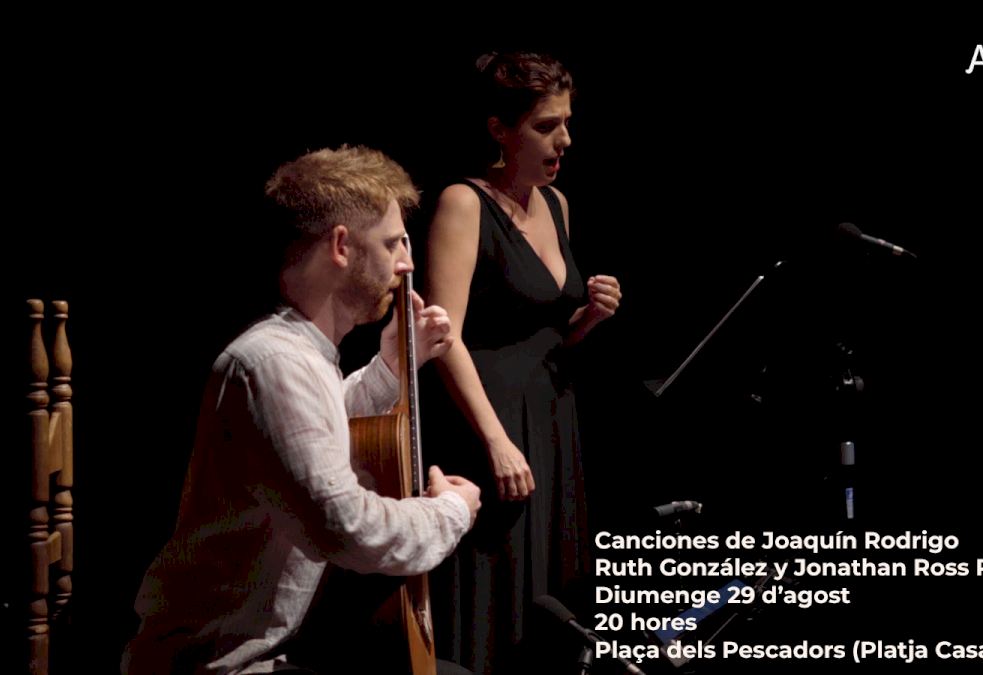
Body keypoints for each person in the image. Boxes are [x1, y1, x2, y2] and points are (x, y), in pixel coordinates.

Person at [122, 145, 482, 675]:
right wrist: (450, 512)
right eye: (391, 243)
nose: (406, 263)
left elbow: (320, 430)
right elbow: (348, 527)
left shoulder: (301, 356)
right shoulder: (273, 364)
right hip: (215, 666)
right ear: (341, 246)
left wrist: (390, 367)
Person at [422, 52, 622, 673]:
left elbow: (545, 337)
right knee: (494, 592)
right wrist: (495, 440)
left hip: (553, 420)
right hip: (489, 422)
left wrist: (587, 319)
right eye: (545, 126)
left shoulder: (556, 204)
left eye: (566, 123)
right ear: (500, 130)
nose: (564, 140)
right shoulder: (464, 203)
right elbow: (444, 336)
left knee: (547, 594)